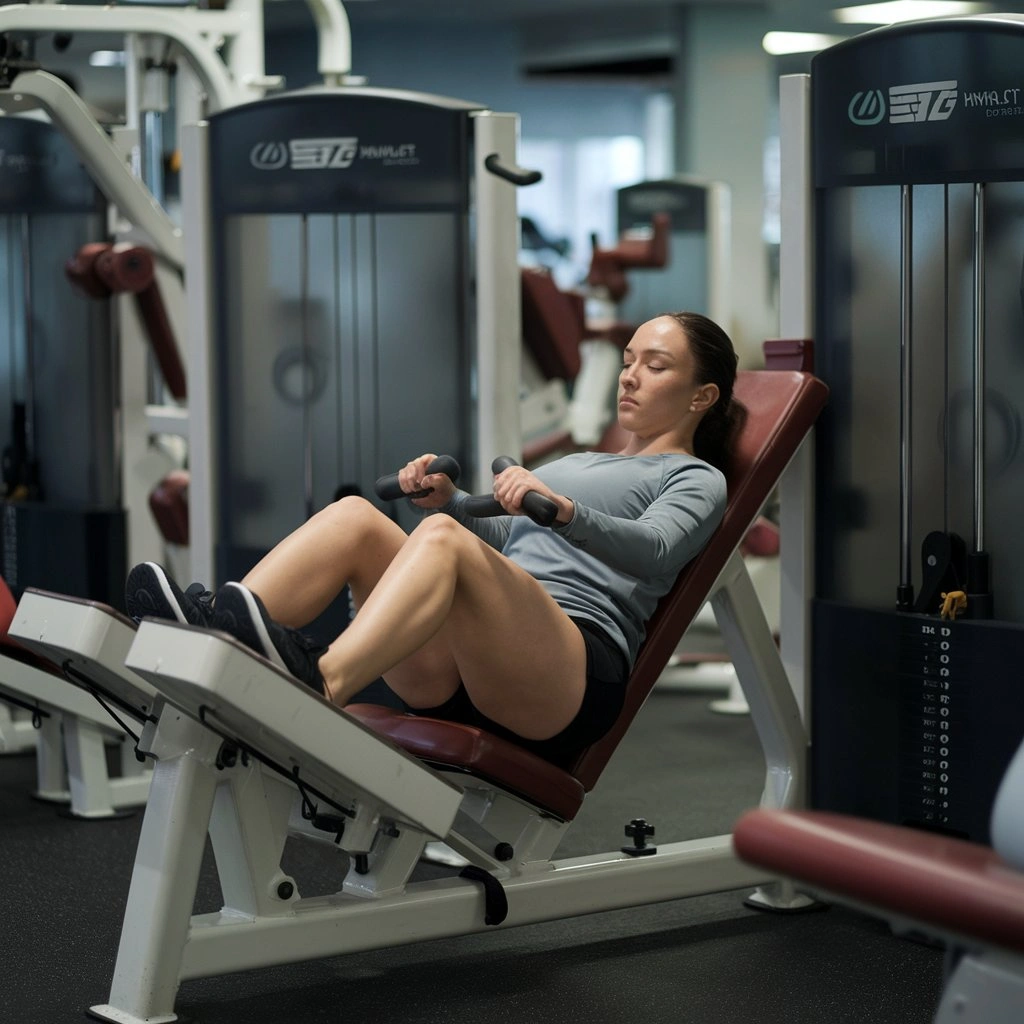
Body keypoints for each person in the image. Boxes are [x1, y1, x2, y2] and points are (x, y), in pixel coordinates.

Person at [126, 311, 740, 768]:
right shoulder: (586, 458)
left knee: (443, 538)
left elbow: (657, 549)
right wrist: (447, 502)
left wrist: (562, 510)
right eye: (628, 360)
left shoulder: (693, 476)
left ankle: (320, 687)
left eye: (654, 367)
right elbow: (503, 543)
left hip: (565, 677)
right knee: (357, 517)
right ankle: (213, 638)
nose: (629, 377)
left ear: (701, 396)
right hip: (469, 664)